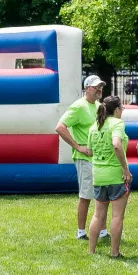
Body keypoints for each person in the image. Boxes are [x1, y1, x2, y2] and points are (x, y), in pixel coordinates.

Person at [54, 74, 106, 240]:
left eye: (101, 86)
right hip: (84, 158)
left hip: (98, 158)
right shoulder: (78, 107)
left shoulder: (99, 106)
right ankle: (81, 231)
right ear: (87, 88)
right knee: (86, 195)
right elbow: (60, 127)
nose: (99, 89)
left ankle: (102, 230)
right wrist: (78, 146)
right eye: (96, 86)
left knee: (101, 193)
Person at [87, 95, 131, 257]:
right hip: (115, 175)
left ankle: (91, 250)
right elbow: (117, 145)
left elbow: (90, 151)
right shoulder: (117, 123)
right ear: (117, 109)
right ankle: (114, 252)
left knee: (98, 215)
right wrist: (126, 169)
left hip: (99, 175)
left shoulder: (95, 126)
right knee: (117, 216)